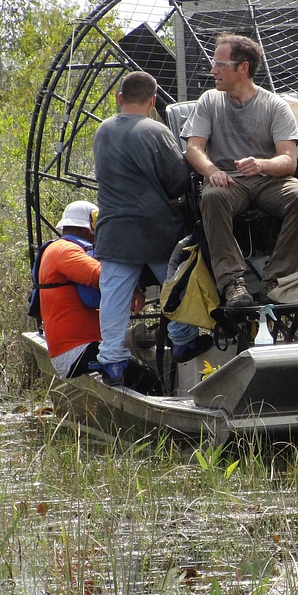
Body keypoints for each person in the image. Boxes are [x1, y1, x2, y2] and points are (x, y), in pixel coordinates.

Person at [181, 33, 298, 306]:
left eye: (220, 64)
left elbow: (288, 161)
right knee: (211, 197)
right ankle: (233, 283)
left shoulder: (274, 105)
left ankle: (277, 281)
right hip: (228, 182)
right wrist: (211, 171)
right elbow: (193, 148)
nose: (213, 70)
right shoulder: (209, 100)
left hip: (268, 181)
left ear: (243, 68)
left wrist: (262, 164)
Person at [94, 71, 202, 386]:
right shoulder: (155, 131)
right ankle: (183, 340)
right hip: (157, 229)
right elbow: (178, 181)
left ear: (119, 98)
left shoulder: (102, 131)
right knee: (175, 284)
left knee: (113, 298)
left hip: (115, 230)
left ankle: (112, 364)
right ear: (153, 101)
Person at [36, 201, 162, 392]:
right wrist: (135, 284)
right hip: (76, 351)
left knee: (137, 361)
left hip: (81, 346)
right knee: (149, 381)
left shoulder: (60, 249)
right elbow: (103, 276)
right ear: (92, 226)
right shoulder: (64, 250)